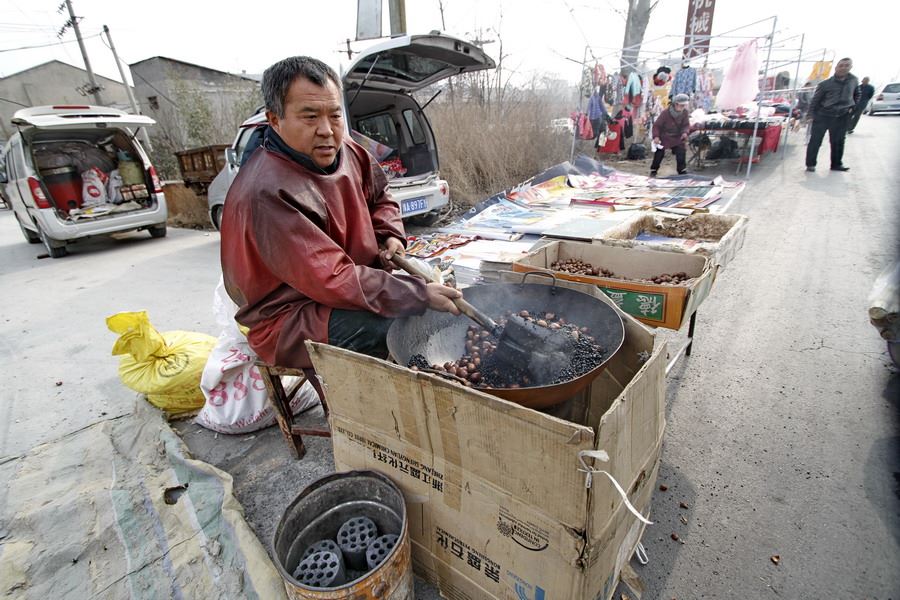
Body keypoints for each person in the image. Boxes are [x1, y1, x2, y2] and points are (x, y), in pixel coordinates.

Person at [220, 56, 462, 371]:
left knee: (414, 310)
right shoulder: (265, 193)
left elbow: (381, 196)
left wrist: (389, 234)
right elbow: (332, 278)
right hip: (290, 316)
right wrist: (419, 294)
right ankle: (359, 413)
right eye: (309, 117)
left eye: (335, 115)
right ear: (274, 120)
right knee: (390, 328)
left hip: (348, 288)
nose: (326, 130)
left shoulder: (349, 152)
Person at [805, 57, 859, 172]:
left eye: (847, 65)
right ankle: (810, 164)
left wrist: (852, 108)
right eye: (841, 65)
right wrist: (810, 115)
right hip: (823, 115)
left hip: (842, 116)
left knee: (838, 141)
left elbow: (857, 94)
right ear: (836, 68)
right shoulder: (825, 84)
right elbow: (815, 100)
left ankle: (836, 164)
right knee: (815, 140)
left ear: (850, 67)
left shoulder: (854, 80)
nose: (844, 67)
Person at [649, 93, 691, 177]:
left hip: (677, 136)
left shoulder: (685, 113)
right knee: (659, 153)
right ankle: (654, 170)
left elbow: (686, 125)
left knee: (681, 150)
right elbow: (657, 126)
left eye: (684, 105)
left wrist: (684, 132)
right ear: (676, 104)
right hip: (665, 136)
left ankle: (682, 170)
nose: (683, 107)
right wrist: (656, 136)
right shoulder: (665, 113)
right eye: (681, 105)